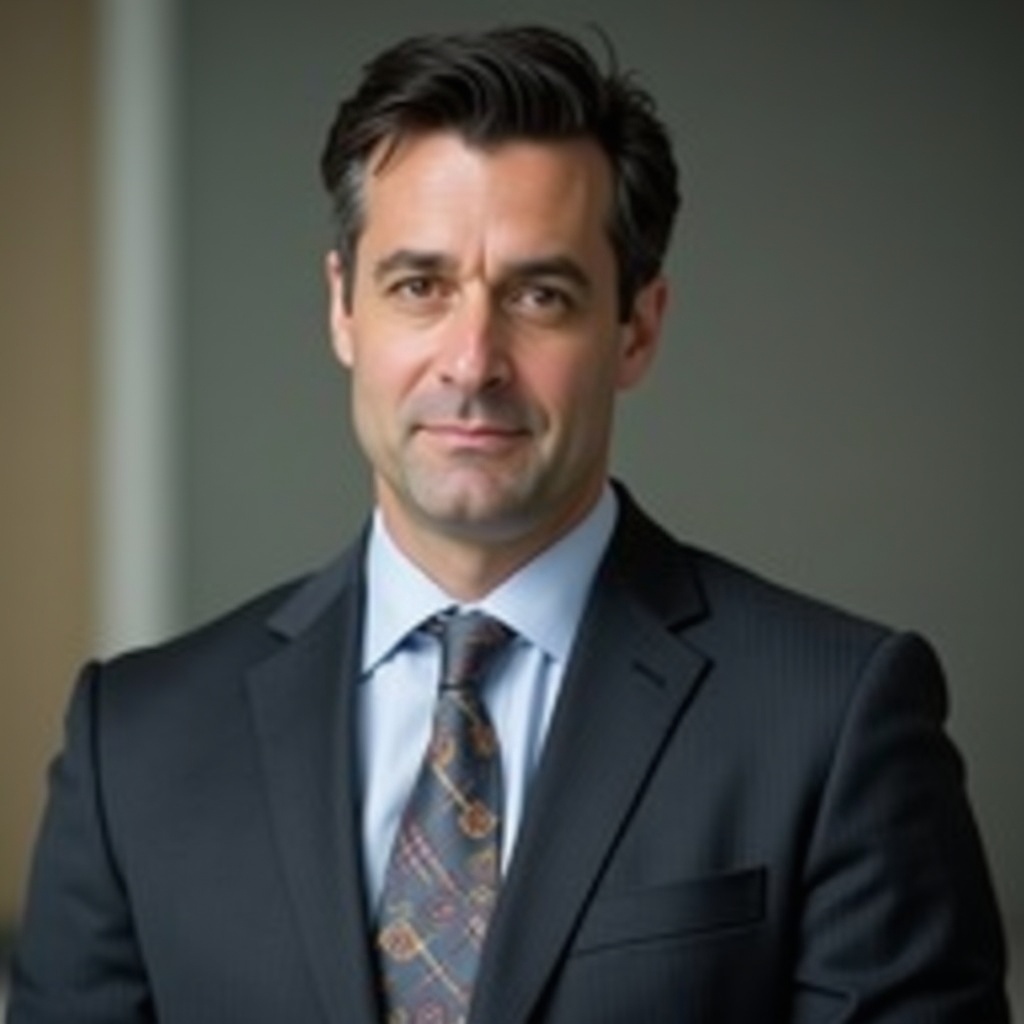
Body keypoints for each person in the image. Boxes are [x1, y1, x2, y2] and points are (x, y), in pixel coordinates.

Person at [8, 24, 1010, 1024]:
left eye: (540, 293)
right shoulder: (132, 744)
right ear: (342, 311)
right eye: (418, 286)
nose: (472, 360)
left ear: (637, 327)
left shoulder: (833, 723)